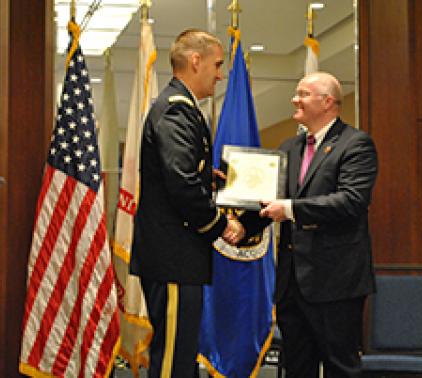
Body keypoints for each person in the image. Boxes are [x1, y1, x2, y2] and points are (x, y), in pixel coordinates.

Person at [130, 29, 245, 378]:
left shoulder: (179, 108)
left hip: (174, 257)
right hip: (173, 257)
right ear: (196, 61)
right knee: (173, 363)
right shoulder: (177, 111)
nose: (220, 74)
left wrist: (205, 176)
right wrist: (221, 225)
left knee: (180, 355)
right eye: (217, 64)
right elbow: (180, 182)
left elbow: (179, 172)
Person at [259, 72, 378, 378]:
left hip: (336, 281)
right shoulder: (289, 147)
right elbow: (268, 198)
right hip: (291, 283)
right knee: (297, 368)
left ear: (327, 102)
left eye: (303, 94)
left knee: (341, 367)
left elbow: (350, 201)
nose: (294, 99)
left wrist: (290, 209)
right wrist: (238, 221)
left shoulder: (356, 144)